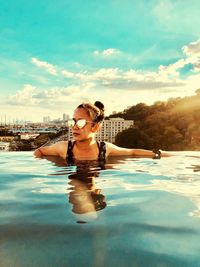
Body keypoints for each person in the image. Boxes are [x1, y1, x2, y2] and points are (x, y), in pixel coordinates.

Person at [33, 101, 170, 161]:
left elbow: (132, 152)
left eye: (80, 122)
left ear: (95, 127)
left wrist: (159, 154)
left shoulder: (104, 149)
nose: (74, 127)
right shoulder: (63, 148)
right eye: (72, 122)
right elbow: (38, 151)